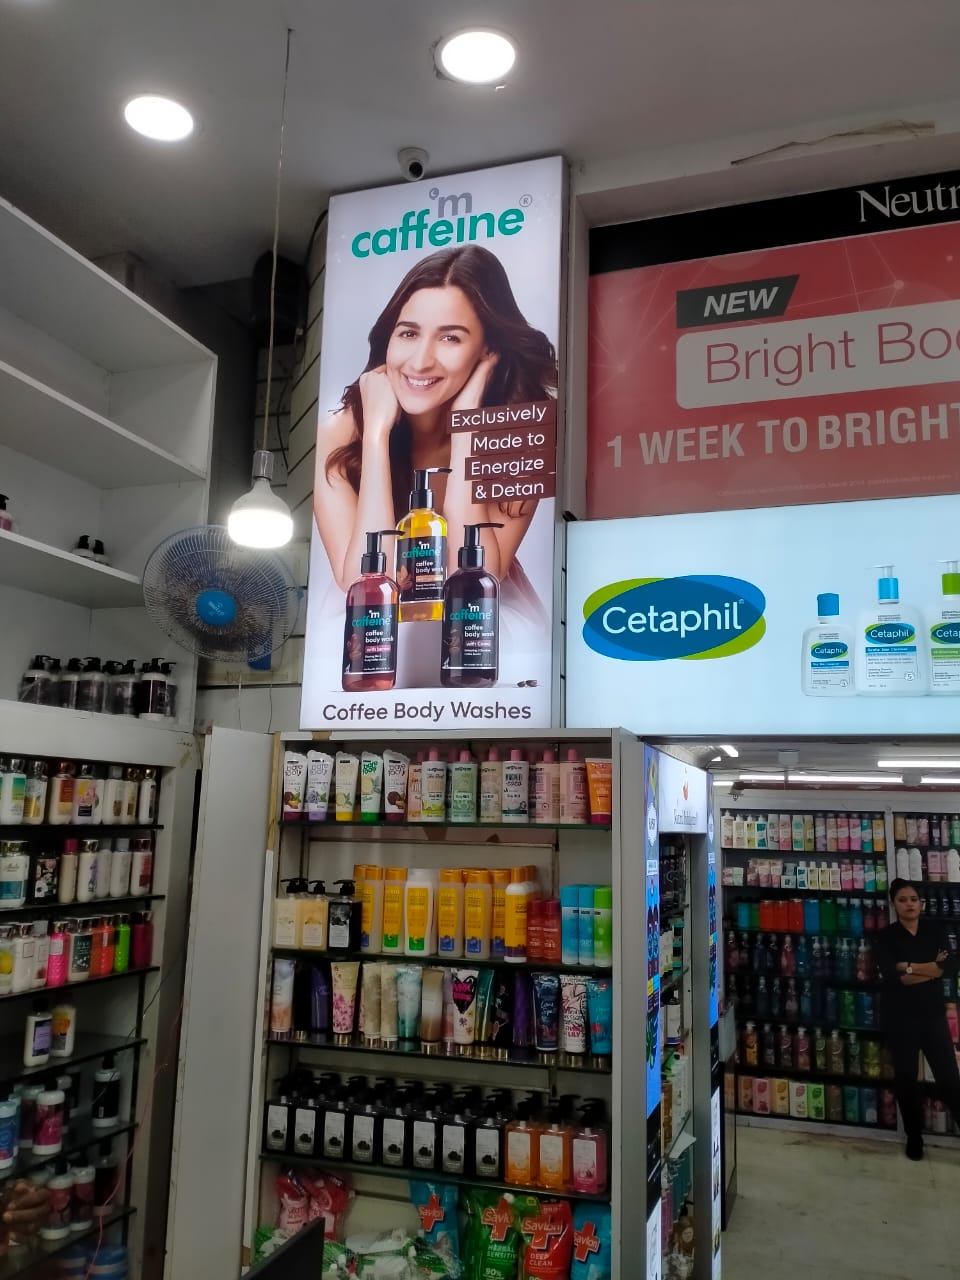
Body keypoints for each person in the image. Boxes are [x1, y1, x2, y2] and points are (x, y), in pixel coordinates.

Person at [314, 244, 557, 640]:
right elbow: (365, 580)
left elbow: (476, 575)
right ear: (389, 337)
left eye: (450, 338)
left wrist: (468, 429)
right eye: (409, 333)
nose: (420, 361)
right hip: (374, 625)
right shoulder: (341, 432)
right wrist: (375, 437)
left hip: (482, 619)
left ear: (488, 349)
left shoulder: (520, 433)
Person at [874, 878, 960, 1159]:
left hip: (933, 1016)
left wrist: (909, 967)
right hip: (900, 1018)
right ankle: (914, 1137)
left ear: (920, 903)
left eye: (913, 899)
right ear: (894, 904)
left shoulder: (935, 931)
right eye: (902, 900)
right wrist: (929, 968)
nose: (909, 904)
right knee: (906, 1080)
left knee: (950, 1078)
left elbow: (948, 968)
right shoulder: (886, 936)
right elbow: (893, 976)